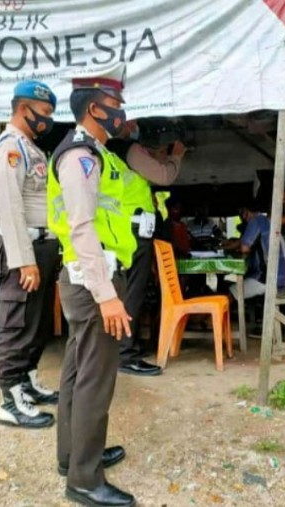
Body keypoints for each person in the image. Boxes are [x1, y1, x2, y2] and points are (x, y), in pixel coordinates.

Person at [47, 67, 136, 506]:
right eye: (115, 103)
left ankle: (73, 456)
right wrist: (108, 295)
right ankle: (84, 479)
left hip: (83, 277)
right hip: (91, 280)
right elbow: (82, 228)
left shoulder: (90, 152)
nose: (121, 111)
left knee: (78, 372)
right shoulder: (80, 156)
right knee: (94, 381)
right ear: (94, 108)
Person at [0, 80, 59, 429]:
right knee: (15, 325)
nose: (47, 120)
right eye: (44, 113)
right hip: (21, 249)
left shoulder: (30, 147)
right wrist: (24, 259)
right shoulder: (9, 148)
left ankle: (26, 382)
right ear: (22, 109)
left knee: (37, 323)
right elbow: (9, 207)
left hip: (40, 246)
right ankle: (9, 401)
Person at [106, 124, 186, 377]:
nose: (136, 127)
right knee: (132, 293)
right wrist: (176, 157)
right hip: (132, 233)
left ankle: (123, 349)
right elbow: (163, 176)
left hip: (118, 231)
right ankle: (125, 354)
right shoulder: (128, 149)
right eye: (132, 122)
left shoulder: (108, 151)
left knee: (124, 292)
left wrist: (155, 155)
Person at [224, 201, 285, 300]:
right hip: (283, 276)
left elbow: (244, 248)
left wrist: (237, 247)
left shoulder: (255, 221)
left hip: (271, 279)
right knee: (244, 279)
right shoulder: (264, 220)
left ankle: (216, 312)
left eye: (243, 212)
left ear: (249, 211)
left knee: (230, 293)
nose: (242, 216)